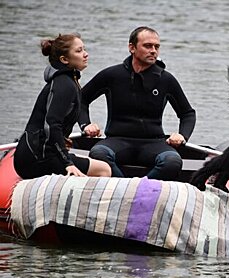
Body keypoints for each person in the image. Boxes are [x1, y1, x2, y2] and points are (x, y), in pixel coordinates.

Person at [81, 26, 196, 180]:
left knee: (172, 161)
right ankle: (124, 188)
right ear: (132, 48)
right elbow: (80, 100)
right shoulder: (112, 75)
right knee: (98, 154)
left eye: (157, 47)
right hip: (117, 140)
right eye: (148, 46)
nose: (153, 50)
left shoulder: (166, 79)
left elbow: (187, 113)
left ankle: (140, 188)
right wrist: (85, 124)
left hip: (154, 143)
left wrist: (182, 136)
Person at [14, 33, 111, 179]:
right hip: (37, 158)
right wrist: (67, 162)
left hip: (39, 153)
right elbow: (52, 124)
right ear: (64, 59)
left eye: (84, 49)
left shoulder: (68, 80)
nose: (85, 54)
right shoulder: (64, 84)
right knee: (104, 170)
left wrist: (84, 125)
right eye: (79, 51)